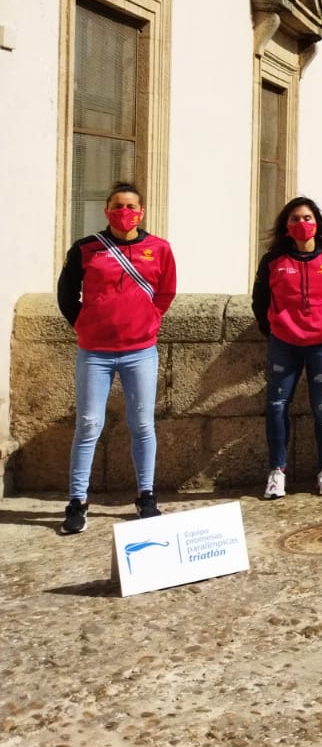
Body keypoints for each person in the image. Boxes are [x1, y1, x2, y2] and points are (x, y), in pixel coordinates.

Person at [55, 182, 177, 534]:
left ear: (142, 211)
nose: (125, 212)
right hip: (95, 352)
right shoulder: (86, 248)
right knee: (89, 424)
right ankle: (77, 501)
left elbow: (166, 291)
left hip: (140, 351)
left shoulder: (159, 249)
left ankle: (146, 495)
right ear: (107, 210)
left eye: (131, 206)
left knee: (142, 425)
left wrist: (149, 319)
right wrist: (85, 324)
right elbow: (67, 293)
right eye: (118, 206)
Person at [251, 197, 322, 498]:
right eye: (295, 219)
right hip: (284, 344)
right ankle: (277, 471)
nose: (302, 224)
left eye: (308, 218)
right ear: (286, 226)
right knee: (275, 406)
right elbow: (260, 301)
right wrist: (272, 330)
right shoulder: (273, 261)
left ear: (317, 224)